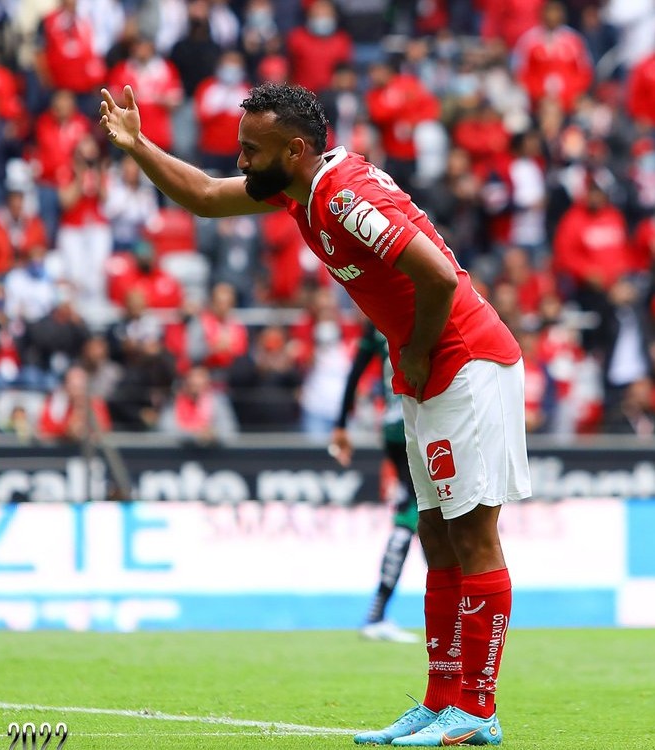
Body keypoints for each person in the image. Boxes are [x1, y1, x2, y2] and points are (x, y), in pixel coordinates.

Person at [100, 81, 526, 746]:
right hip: (426, 370)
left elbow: (440, 276)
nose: (240, 162)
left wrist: (412, 355)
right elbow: (206, 198)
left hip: (465, 362)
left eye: (251, 150)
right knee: (437, 539)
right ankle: (444, 701)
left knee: (473, 539)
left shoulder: (342, 197)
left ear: (294, 150)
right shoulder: (301, 188)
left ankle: (477, 709)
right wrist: (138, 144)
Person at [331, 322, 421, 644]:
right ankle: (377, 613)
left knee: (423, 515)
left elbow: (355, 373)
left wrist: (340, 425)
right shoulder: (426, 305)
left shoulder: (376, 321)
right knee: (420, 512)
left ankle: (382, 613)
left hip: (391, 426)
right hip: (418, 421)